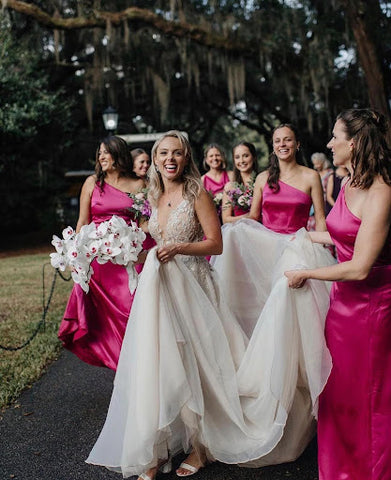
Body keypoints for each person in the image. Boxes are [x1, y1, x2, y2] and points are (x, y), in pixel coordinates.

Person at [87, 131, 319, 480]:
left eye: (177, 153)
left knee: (200, 364)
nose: (170, 159)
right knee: (162, 363)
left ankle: (202, 446)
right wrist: (122, 247)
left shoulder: (197, 194)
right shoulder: (150, 195)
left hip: (195, 289)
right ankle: (155, 448)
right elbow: (147, 238)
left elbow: (216, 245)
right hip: (161, 291)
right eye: (164, 153)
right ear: (156, 157)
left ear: (186, 158)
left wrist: (178, 249)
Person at [212, 123, 334, 467]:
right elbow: (253, 218)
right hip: (266, 248)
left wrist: (329, 253)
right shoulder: (265, 179)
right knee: (258, 316)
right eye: (277, 141)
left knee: (290, 314)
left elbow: (319, 223)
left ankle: (299, 396)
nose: (282, 145)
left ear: (296, 144)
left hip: (296, 248)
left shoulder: (311, 176)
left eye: (287, 140)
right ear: (274, 146)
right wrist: (226, 223)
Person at [285, 108, 391, 480]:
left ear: (355, 142)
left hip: (372, 307)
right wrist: (298, 237)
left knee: (371, 397)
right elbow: (342, 234)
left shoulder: (381, 193)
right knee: (338, 395)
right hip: (342, 307)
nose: (329, 143)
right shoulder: (348, 184)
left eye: (335, 137)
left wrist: (307, 272)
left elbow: (361, 265)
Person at [58, 136, 146, 371]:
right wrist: (76, 258)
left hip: (127, 259)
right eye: (99, 153)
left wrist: (135, 240)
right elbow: (83, 222)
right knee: (101, 320)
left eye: (106, 152)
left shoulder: (138, 185)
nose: (101, 157)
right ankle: (121, 366)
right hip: (96, 261)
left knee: (130, 312)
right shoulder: (92, 183)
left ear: (119, 154)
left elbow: (145, 223)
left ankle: (135, 364)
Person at [222, 141, 258, 224]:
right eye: (237, 157)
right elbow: (226, 219)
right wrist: (250, 216)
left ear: (253, 157)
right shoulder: (230, 187)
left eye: (246, 156)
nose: (241, 160)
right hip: (239, 231)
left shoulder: (262, 183)